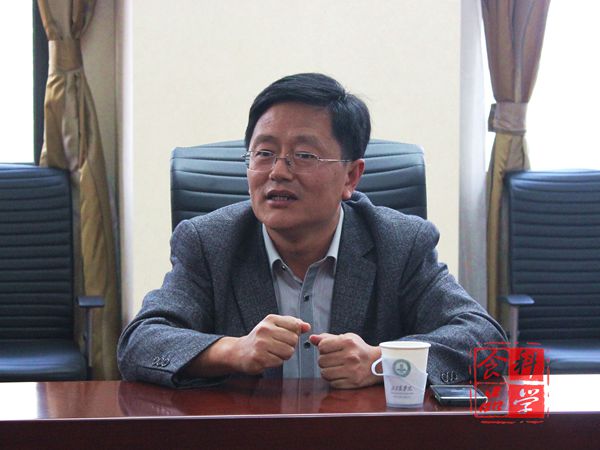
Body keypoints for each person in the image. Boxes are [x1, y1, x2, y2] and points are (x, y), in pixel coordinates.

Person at [117, 73, 506, 389]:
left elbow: (486, 342)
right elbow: (140, 342)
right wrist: (232, 351)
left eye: (304, 155)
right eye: (264, 153)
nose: (278, 172)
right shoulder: (209, 242)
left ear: (351, 176)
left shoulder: (400, 243)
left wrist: (382, 361)